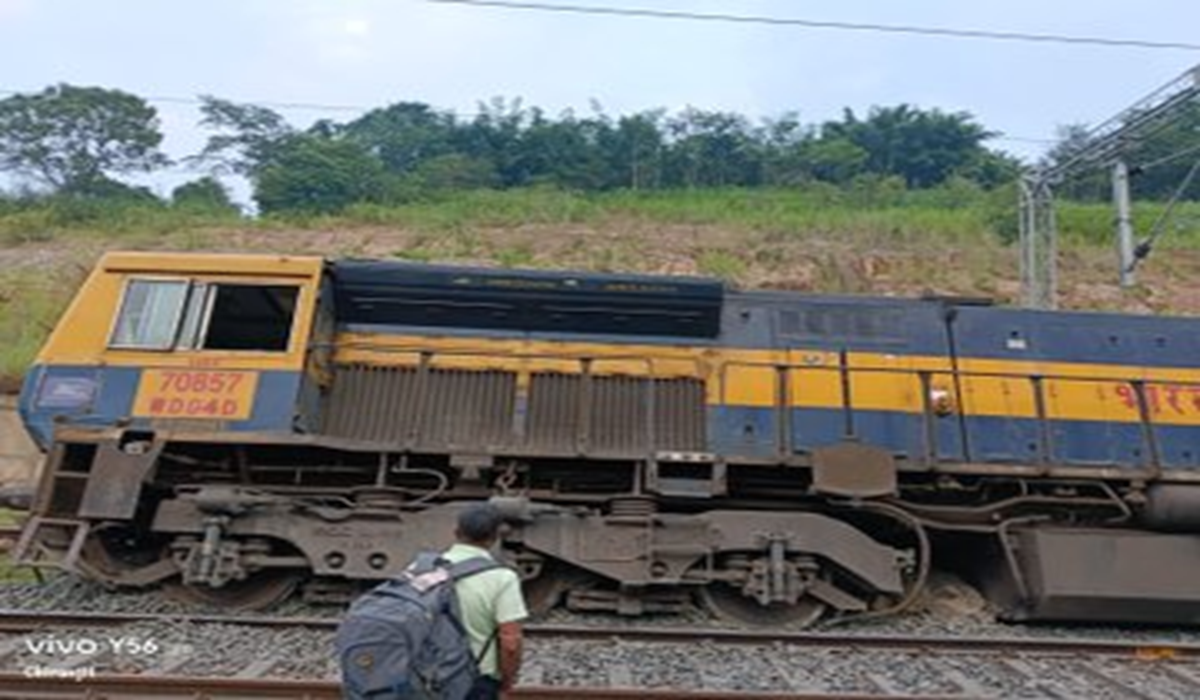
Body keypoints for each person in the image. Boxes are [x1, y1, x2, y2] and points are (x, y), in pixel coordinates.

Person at [441, 503, 529, 700]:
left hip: (427, 674)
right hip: (475, 679)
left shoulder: (423, 568)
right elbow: (511, 643)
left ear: (456, 532)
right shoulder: (502, 578)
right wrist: (506, 683)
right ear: (495, 537)